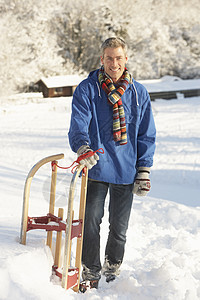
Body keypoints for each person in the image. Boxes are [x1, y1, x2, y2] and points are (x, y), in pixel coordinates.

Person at [68, 37, 156, 290]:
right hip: (95, 166)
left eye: (118, 58)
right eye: (109, 58)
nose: (114, 63)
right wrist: (83, 147)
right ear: (102, 60)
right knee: (91, 223)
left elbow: (146, 134)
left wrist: (144, 170)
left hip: (127, 169)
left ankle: (112, 268)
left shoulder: (138, 92)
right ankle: (90, 269)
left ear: (125, 59)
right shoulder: (88, 89)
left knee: (119, 227)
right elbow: (78, 123)